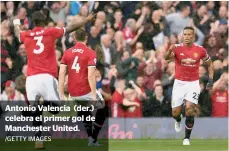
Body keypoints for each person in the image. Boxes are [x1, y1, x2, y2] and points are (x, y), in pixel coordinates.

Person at [13, 11, 94, 149]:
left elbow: (17, 33)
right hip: (46, 76)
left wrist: (16, 24)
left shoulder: (26, 34)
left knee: (35, 112)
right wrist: (86, 20)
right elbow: (70, 28)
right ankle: (40, 107)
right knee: (57, 108)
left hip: (31, 78)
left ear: (32, 22)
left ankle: (38, 139)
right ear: (44, 21)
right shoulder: (50, 32)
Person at [164, 26, 214, 145]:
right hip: (179, 83)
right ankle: (178, 120)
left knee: (189, 110)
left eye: (189, 35)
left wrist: (211, 80)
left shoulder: (200, 50)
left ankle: (186, 138)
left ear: (193, 36)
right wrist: (169, 50)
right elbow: (166, 59)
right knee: (175, 113)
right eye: (185, 34)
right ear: (182, 35)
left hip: (193, 83)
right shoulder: (176, 48)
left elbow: (210, 64)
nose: (186, 37)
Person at [58, 28, 106, 146]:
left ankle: (90, 138)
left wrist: (60, 94)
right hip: (85, 90)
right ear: (86, 38)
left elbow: (61, 73)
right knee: (103, 110)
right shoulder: (90, 53)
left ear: (74, 39)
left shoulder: (67, 52)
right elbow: (91, 76)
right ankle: (94, 138)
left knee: (84, 111)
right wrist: (94, 95)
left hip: (73, 92)